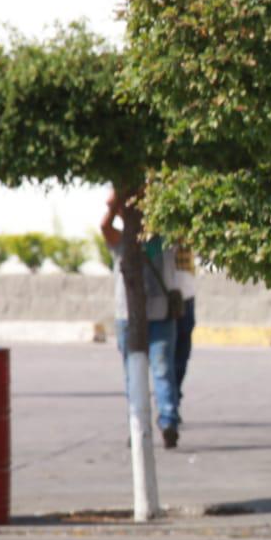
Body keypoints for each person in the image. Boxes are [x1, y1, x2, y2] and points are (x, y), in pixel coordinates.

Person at [100, 189, 182, 449]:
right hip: (139, 315)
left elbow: (105, 225)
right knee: (158, 371)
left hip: (144, 315)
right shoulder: (131, 239)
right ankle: (156, 422)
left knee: (147, 372)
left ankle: (157, 422)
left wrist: (117, 204)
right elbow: (104, 226)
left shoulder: (158, 237)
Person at [172, 243, 198, 413]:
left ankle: (173, 397)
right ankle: (170, 401)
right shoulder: (153, 234)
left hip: (186, 294)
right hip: (166, 295)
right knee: (166, 357)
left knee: (182, 354)